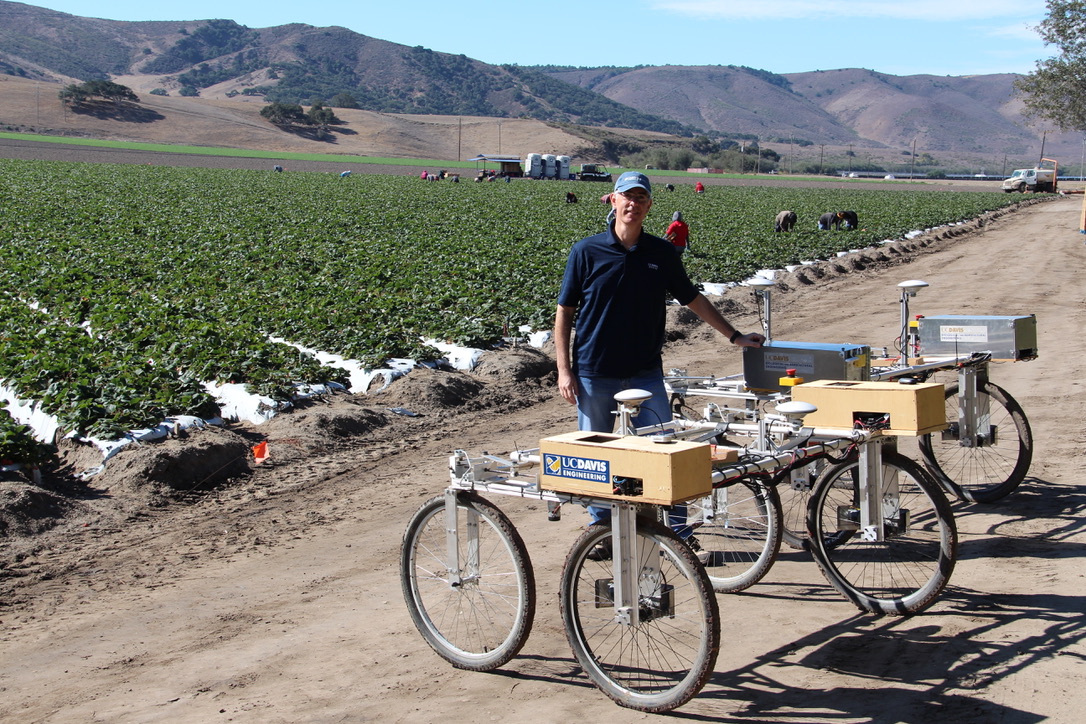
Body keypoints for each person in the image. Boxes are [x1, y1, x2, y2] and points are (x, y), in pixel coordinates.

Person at [555, 171, 765, 560]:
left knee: (662, 449)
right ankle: (603, 529)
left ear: (649, 206)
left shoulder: (662, 253)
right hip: (593, 370)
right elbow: (565, 311)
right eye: (626, 197)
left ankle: (677, 528)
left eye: (641, 198)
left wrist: (734, 337)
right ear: (612, 201)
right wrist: (564, 370)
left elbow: (693, 299)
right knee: (598, 452)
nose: (633, 204)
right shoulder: (586, 251)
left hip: (645, 370)